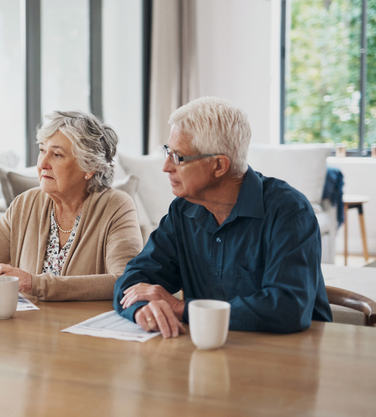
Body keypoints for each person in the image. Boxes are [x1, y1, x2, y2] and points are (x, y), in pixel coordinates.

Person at [114, 97, 332, 338]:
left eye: (178, 157)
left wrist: (180, 308)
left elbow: (287, 307)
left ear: (218, 166)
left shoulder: (289, 211)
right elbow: (133, 280)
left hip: (291, 354)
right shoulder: (182, 211)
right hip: (213, 351)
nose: (166, 166)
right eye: (168, 152)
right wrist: (142, 308)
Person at [0, 110, 143, 300]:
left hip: (84, 326)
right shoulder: (25, 204)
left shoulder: (116, 206)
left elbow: (125, 281)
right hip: (28, 325)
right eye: (42, 150)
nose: (43, 163)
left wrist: (35, 284)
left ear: (90, 167)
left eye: (57, 155)